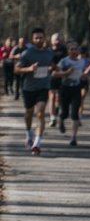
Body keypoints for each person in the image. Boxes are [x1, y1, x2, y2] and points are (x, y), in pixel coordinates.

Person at [15, 27, 56, 155]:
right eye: (36, 38)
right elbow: (16, 69)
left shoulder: (49, 53)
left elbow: (53, 65)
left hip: (43, 87)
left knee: (40, 113)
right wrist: (29, 69)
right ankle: (28, 133)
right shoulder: (27, 53)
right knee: (29, 113)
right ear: (32, 40)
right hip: (28, 88)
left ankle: (37, 143)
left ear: (45, 38)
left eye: (41, 37)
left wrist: (58, 70)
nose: (39, 40)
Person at [53, 41, 87, 146]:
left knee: (75, 114)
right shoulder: (64, 61)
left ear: (78, 51)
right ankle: (61, 120)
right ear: (68, 51)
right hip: (65, 89)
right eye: (71, 49)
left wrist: (84, 76)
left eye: (75, 49)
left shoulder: (82, 62)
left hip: (76, 88)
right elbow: (54, 73)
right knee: (65, 113)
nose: (73, 51)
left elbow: (84, 72)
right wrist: (66, 73)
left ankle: (73, 137)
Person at [48, 32, 67, 133]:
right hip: (51, 76)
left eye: (59, 38)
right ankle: (52, 117)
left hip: (62, 76)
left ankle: (58, 111)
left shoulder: (64, 50)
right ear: (51, 41)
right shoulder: (48, 51)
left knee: (59, 97)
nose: (57, 40)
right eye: (55, 39)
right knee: (52, 96)